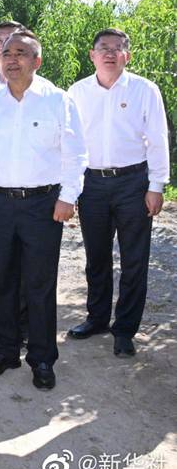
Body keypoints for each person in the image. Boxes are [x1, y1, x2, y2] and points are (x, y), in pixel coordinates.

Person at [0, 30, 87, 392]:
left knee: (38, 285)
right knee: (1, 280)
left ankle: (41, 358)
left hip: (42, 205)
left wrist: (68, 197)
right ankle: (4, 351)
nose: (12, 59)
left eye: (21, 53)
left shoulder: (58, 101)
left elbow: (75, 154)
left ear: (37, 61)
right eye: (7, 53)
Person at [66, 28, 170, 357]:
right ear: (92, 55)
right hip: (91, 184)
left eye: (118, 48)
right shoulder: (77, 92)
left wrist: (156, 185)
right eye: (103, 48)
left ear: (128, 55)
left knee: (134, 260)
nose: (110, 53)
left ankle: (124, 329)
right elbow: (69, 143)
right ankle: (96, 319)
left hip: (133, 183)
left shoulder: (144, 90)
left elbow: (157, 140)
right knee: (96, 257)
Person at [0, 20, 51, 342]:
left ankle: (31, 330)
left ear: (32, 55)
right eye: (1, 44)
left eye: (16, 46)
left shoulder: (50, 96)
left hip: (37, 197)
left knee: (34, 270)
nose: (9, 52)